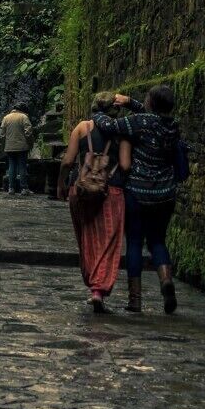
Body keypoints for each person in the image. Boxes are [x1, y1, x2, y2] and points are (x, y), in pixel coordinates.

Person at [91, 85, 181, 314]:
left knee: (133, 242)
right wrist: (131, 101)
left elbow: (110, 125)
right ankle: (165, 280)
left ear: (150, 103)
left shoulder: (138, 123)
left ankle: (135, 300)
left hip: (138, 192)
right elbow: (152, 115)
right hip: (165, 193)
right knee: (158, 241)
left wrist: (97, 112)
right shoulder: (172, 126)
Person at [57, 92, 132, 313]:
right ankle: (98, 289)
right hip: (112, 191)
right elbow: (126, 165)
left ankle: (92, 281)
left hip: (80, 190)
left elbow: (68, 161)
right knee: (109, 241)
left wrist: (61, 184)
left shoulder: (82, 128)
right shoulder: (123, 132)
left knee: (86, 238)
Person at [0, 103, 35, 195]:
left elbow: (2, 134)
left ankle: (11, 188)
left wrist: (4, 146)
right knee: (22, 166)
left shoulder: (6, 118)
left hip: (9, 147)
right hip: (22, 147)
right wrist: (30, 143)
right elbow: (28, 132)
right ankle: (24, 188)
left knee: (11, 166)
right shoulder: (24, 117)